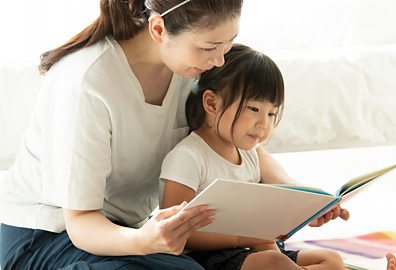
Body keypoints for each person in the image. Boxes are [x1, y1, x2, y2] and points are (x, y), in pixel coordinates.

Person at [0, 0, 246, 269]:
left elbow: (232, 136)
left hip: (121, 231)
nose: (219, 59)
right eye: (208, 47)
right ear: (159, 29)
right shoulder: (86, 82)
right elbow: (81, 222)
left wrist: (292, 195)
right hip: (44, 236)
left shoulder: (191, 69)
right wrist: (145, 241)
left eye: (228, 43)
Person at [160, 44, 396, 270]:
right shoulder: (188, 156)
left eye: (272, 113)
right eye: (254, 109)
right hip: (207, 257)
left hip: (254, 249)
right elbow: (175, 230)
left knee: (331, 259)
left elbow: (288, 187)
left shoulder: (252, 154)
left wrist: (318, 206)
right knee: (275, 262)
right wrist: (245, 236)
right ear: (211, 103)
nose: (263, 124)